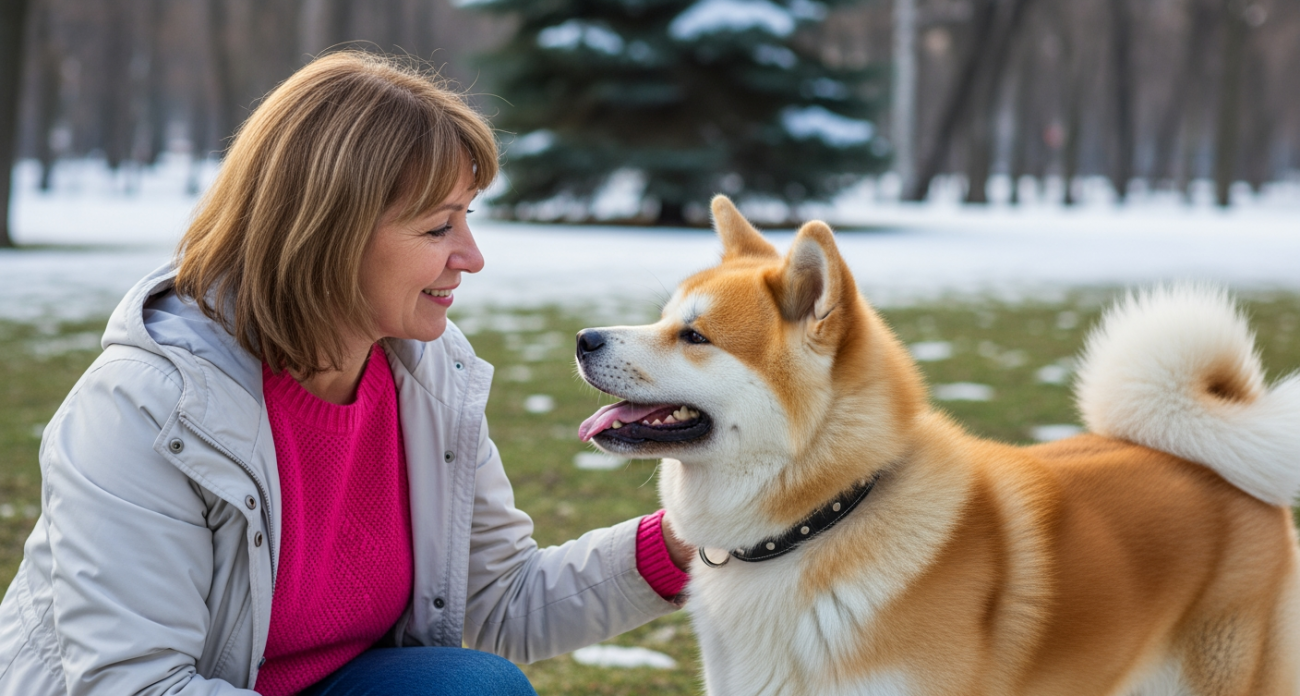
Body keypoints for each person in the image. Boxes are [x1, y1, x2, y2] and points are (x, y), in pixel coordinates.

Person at [0, 51, 694, 696]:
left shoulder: (430, 377)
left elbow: (499, 600)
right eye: (436, 229)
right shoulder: (148, 405)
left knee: (472, 686)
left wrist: (690, 537)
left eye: (468, 219)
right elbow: (136, 684)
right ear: (327, 233)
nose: (472, 257)